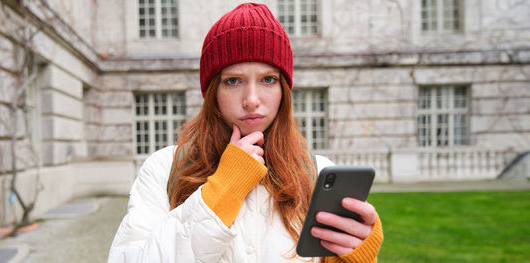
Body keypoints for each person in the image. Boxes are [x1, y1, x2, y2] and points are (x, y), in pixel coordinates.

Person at [108, 3, 383, 262]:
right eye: (233, 81)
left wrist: (356, 254)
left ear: (283, 90)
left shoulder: (317, 173)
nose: (251, 99)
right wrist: (221, 192)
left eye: (268, 79)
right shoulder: (165, 168)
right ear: (212, 91)